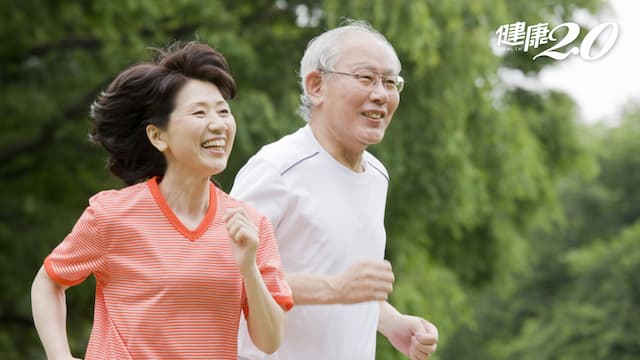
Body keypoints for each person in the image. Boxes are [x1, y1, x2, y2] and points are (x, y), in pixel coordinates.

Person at [30, 41, 293, 360]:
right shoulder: (111, 215)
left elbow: (270, 340)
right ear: (158, 136)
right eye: (199, 112)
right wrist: (60, 356)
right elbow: (48, 282)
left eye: (223, 111)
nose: (218, 124)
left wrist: (249, 269)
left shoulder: (251, 226)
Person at [233, 21, 438, 360]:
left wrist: (392, 322)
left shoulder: (376, 175)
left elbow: (347, 282)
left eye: (390, 82)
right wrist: (336, 288)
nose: (381, 94)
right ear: (316, 85)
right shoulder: (276, 168)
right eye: (366, 78)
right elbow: (224, 273)